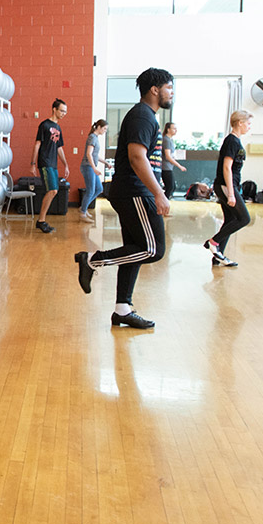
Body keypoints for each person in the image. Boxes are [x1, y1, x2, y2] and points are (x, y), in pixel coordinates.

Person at [73, 68, 174, 329]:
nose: (172, 92)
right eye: (169, 87)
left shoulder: (145, 116)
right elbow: (137, 157)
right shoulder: (143, 116)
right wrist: (159, 193)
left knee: (136, 250)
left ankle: (122, 310)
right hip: (134, 191)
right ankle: (92, 260)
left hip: (131, 191)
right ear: (155, 89)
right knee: (152, 249)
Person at [204, 110, 253, 267]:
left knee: (231, 220)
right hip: (226, 186)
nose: (249, 126)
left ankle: (217, 256)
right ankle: (213, 242)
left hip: (228, 186)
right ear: (240, 123)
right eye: (248, 123)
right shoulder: (231, 141)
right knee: (244, 218)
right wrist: (231, 194)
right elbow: (227, 168)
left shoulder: (235, 141)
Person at [30, 99, 70, 233]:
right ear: (54, 109)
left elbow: (59, 148)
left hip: (53, 163)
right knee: (52, 190)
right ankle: (41, 221)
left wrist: (66, 165)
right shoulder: (44, 125)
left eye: (65, 111)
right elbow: (37, 144)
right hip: (45, 162)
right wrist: (33, 163)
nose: (64, 113)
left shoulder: (58, 128)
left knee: (54, 191)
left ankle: (41, 220)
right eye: (62, 111)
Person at [79, 119, 110, 220]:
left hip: (91, 167)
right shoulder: (92, 137)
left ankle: (84, 207)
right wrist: (94, 168)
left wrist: (105, 163)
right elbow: (89, 154)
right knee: (91, 190)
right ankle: (83, 212)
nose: (105, 131)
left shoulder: (95, 138)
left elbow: (95, 155)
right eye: (104, 129)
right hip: (88, 167)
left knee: (99, 189)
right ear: (99, 127)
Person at [160, 122, 187, 199]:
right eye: (174, 128)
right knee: (170, 187)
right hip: (165, 167)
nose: (176, 130)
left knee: (171, 187)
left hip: (168, 167)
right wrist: (179, 166)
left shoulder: (170, 140)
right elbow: (168, 156)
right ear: (168, 129)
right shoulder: (166, 140)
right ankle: (162, 203)